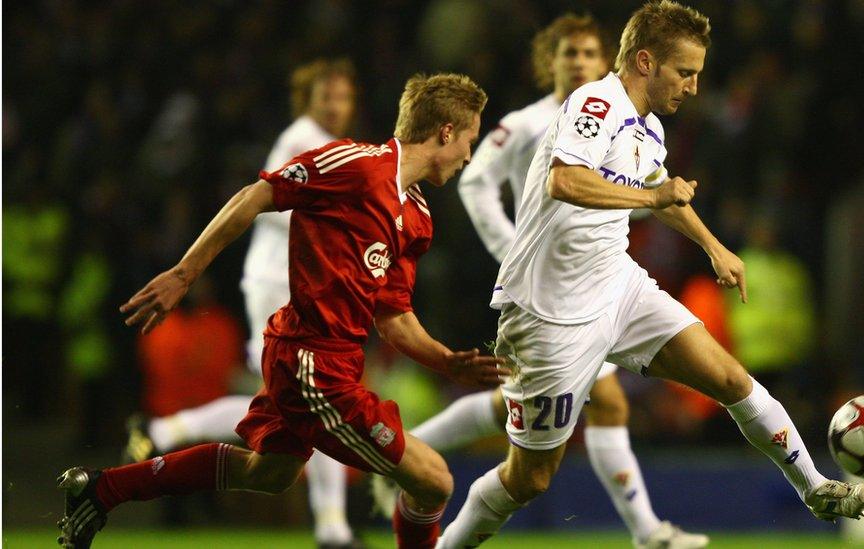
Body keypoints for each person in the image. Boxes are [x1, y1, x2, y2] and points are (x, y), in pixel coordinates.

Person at [437, 2, 864, 547]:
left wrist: (715, 246)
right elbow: (565, 182)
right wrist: (652, 194)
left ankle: (815, 488)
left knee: (730, 380)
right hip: (549, 313)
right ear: (645, 62)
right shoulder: (595, 102)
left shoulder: (648, 127)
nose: (694, 87)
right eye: (686, 72)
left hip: (618, 285)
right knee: (530, 478)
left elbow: (664, 193)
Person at [57, 73, 508, 549]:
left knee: (269, 471)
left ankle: (103, 489)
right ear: (445, 132)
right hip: (311, 359)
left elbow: (392, 315)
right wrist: (184, 274)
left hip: (332, 360)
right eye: (469, 140)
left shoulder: (416, 216)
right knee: (433, 479)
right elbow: (255, 196)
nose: (468, 155)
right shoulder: (356, 165)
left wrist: (446, 360)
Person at [374, 14, 705, 548]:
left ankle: (403, 455)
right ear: (548, 63)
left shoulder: (628, 120)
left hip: (592, 282)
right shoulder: (526, 123)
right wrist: (509, 245)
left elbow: (633, 192)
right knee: (567, 411)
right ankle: (647, 533)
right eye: (568, 54)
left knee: (531, 403)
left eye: (589, 54)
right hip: (541, 289)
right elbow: (476, 182)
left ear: (611, 62)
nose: (579, 63)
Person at [122, 57, 363, 548]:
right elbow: (266, 207)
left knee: (296, 401)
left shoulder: (325, 147)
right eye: (326, 97)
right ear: (307, 101)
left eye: (342, 97)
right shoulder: (302, 141)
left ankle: (168, 429)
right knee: (316, 398)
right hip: (280, 284)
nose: (335, 106)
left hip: (290, 285)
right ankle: (334, 530)